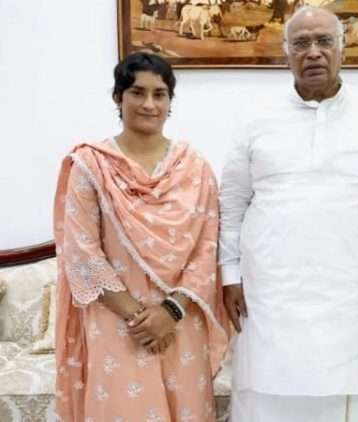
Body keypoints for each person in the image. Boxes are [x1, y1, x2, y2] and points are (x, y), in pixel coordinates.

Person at [218, 6, 358, 422]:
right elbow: (232, 203)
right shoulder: (255, 122)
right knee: (266, 395)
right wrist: (230, 275)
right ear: (286, 53)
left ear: (343, 50)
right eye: (301, 43)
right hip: (270, 296)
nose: (314, 52)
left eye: (324, 41)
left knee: (350, 397)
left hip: (355, 299)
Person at [53, 52, 231, 422]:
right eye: (137, 92)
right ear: (118, 98)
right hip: (116, 321)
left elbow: (207, 247)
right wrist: (142, 320)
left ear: (170, 102)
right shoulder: (91, 165)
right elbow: (83, 254)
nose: (149, 104)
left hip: (182, 320)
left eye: (160, 94)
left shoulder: (193, 168)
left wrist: (169, 313)